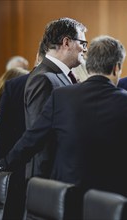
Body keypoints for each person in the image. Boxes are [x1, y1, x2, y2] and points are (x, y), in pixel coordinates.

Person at [0, 35, 127, 218]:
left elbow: (31, 139)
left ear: (89, 64)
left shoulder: (62, 97)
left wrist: (1, 164)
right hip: (113, 204)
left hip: (67, 199)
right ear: (117, 68)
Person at [23, 17, 87, 179]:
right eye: (83, 44)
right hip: (49, 178)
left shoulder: (60, 76)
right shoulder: (43, 78)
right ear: (66, 42)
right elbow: (39, 136)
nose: (85, 50)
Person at [0, 42, 46, 163]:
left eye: (24, 68)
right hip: (15, 160)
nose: (22, 71)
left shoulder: (16, 85)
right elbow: (2, 131)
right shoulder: (13, 86)